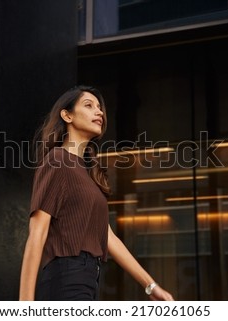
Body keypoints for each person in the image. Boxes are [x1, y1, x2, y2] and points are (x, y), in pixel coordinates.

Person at [19, 85, 174, 301]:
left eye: (100, 108)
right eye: (89, 105)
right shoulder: (57, 160)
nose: (99, 112)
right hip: (66, 278)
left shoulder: (87, 172)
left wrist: (151, 286)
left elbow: (108, 236)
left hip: (89, 279)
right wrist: (24, 306)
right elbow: (37, 232)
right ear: (67, 115)